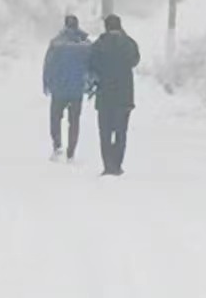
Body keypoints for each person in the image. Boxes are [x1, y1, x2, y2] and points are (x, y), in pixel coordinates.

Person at [89, 14, 140, 176]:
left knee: (104, 132)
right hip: (124, 96)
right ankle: (117, 165)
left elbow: (91, 64)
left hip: (105, 95)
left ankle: (108, 165)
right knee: (120, 132)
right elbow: (135, 60)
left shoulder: (99, 44)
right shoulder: (129, 43)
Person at [42, 14, 93, 162]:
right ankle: (71, 152)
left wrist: (47, 82)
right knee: (74, 121)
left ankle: (57, 146)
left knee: (56, 119)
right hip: (76, 89)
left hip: (59, 88)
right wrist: (90, 85)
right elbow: (91, 66)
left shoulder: (56, 43)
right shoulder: (85, 45)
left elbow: (49, 65)